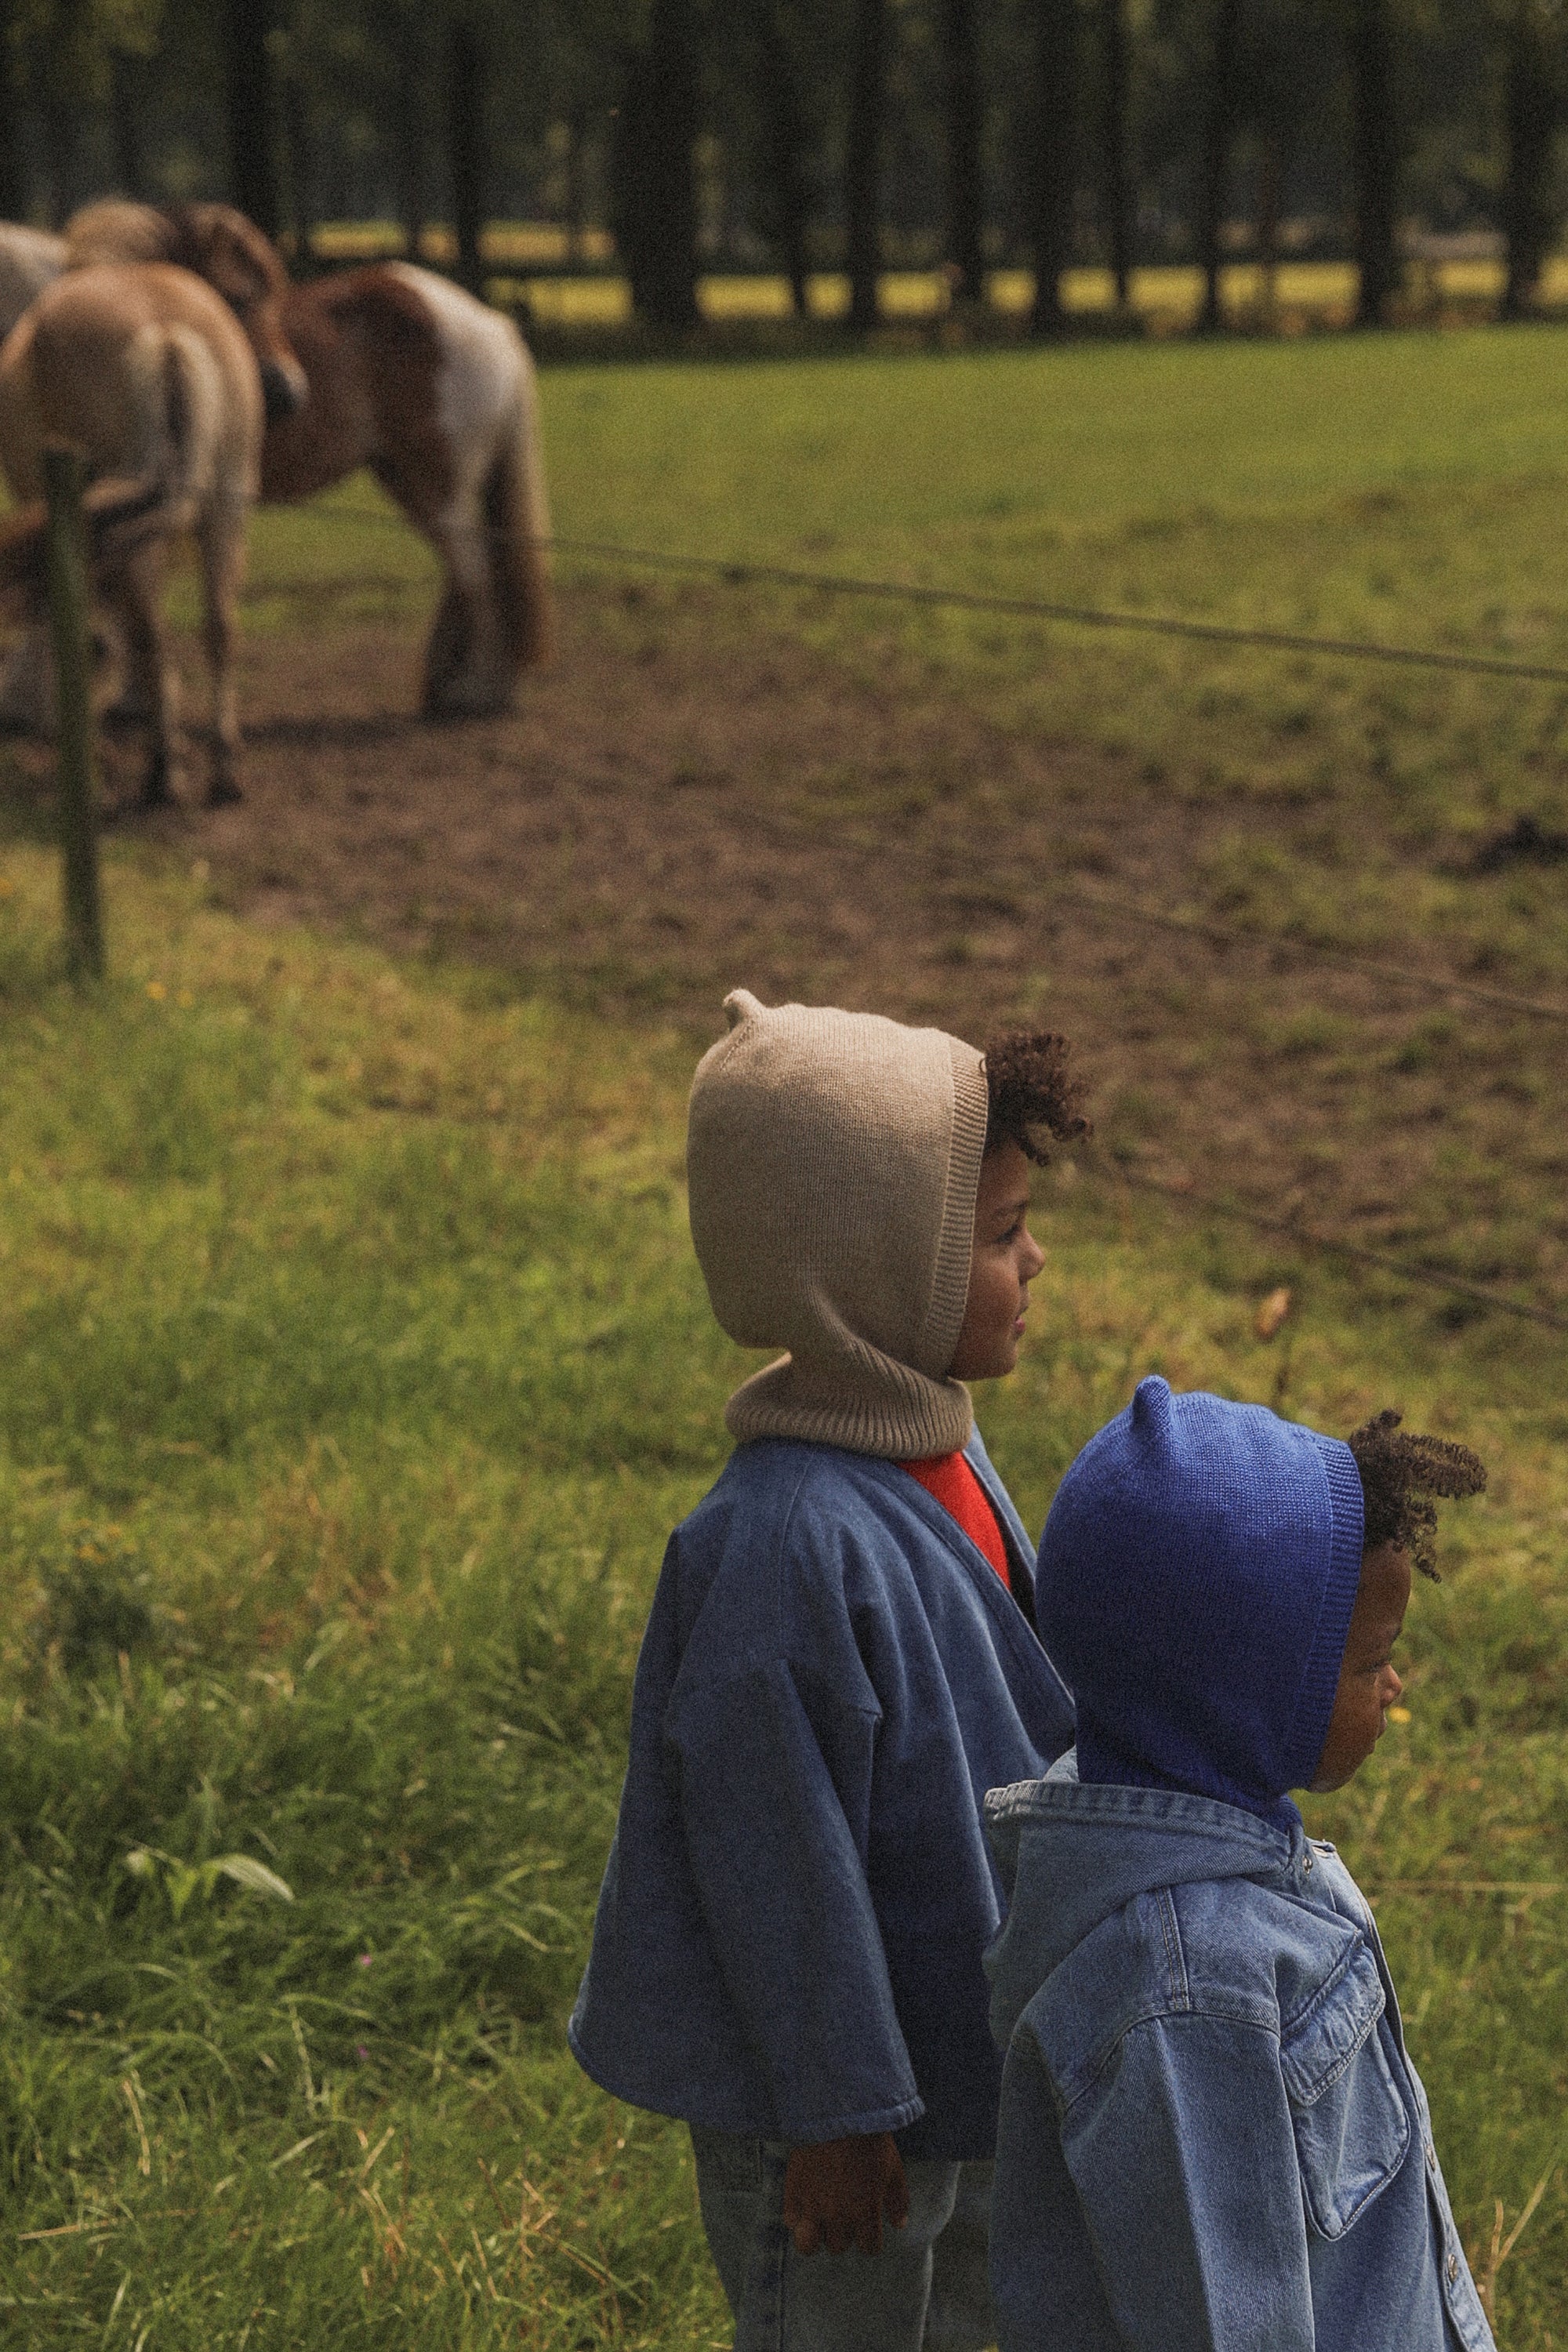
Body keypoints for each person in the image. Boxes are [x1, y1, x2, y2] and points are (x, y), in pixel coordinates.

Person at [570, 989, 1088, 2351]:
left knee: (970, 2313)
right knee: (845, 2324)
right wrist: (833, 2114)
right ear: (870, 1266)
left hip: (953, 2049)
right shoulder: (784, 1547)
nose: (1034, 1261)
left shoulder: (943, 1448)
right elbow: (772, 1855)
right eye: (998, 1236)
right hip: (834, 2110)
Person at [984, 1378, 1492, 2352]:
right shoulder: (1185, 1992)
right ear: (1245, 1698)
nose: (1394, 1684)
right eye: (1367, 1661)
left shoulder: (1190, 1817)